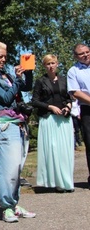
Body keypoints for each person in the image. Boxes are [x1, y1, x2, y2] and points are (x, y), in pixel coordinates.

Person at [0, 41, 35, 223]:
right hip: (4, 123)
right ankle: (6, 207)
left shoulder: (6, 75)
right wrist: (17, 81)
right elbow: (5, 98)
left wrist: (28, 72)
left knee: (17, 167)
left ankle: (14, 204)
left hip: (18, 122)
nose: (4, 59)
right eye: (0, 56)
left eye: (5, 56)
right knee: (7, 168)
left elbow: (26, 88)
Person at [31, 54, 74, 192]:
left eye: (53, 63)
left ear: (57, 64)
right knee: (54, 149)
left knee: (65, 151)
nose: (51, 66)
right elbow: (35, 101)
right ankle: (57, 182)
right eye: (48, 64)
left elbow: (70, 98)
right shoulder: (40, 81)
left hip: (64, 120)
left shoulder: (64, 80)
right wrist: (50, 107)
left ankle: (67, 182)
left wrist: (68, 106)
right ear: (44, 66)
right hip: (49, 119)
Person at [67, 43, 90, 188]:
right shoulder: (73, 71)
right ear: (76, 56)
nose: (86, 55)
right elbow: (75, 92)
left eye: (88, 52)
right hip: (88, 110)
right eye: (82, 53)